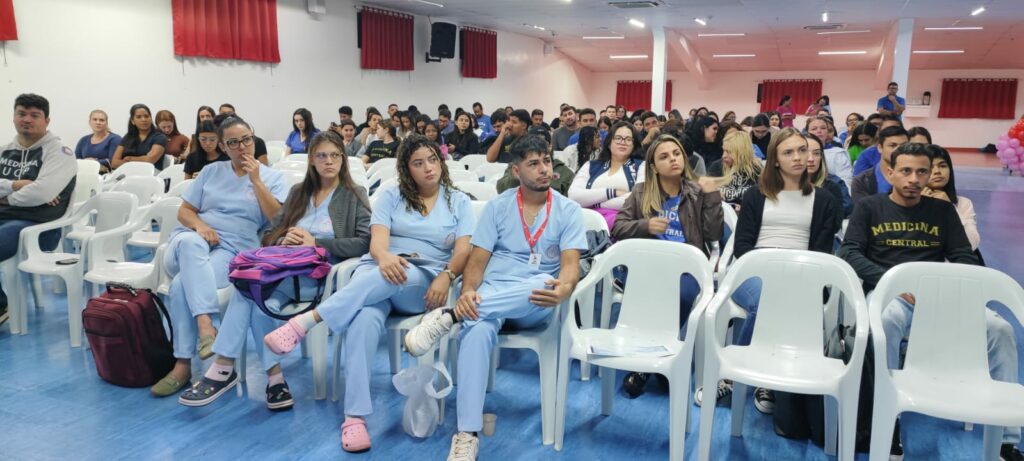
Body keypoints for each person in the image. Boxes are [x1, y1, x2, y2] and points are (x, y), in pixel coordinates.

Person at [264, 134, 474, 453]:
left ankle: (307, 321)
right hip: (379, 269)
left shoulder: (458, 201)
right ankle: (355, 418)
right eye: (418, 163)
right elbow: (376, 244)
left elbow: (462, 252)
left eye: (433, 160)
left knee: (393, 276)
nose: (428, 168)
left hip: (425, 277)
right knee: (362, 319)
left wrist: (447, 275)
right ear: (406, 168)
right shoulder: (391, 196)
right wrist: (386, 257)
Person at [402, 135, 587, 461]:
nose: (544, 169)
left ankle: (449, 317)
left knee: (545, 279)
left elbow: (570, 268)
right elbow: (476, 263)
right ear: (516, 170)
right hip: (495, 292)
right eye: (534, 163)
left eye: (546, 161)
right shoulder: (498, 207)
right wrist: (470, 293)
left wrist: (565, 288)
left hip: (536, 301)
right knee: (478, 327)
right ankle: (467, 433)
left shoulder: (568, 210)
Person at [838, 142, 1020, 460]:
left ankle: (1007, 440)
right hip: (890, 295)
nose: (914, 178)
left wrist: (944, 289)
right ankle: (886, 420)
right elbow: (850, 253)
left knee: (1000, 329)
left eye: (922, 171)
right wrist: (892, 281)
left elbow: (964, 257)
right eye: (906, 171)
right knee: (885, 325)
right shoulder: (869, 208)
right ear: (890, 172)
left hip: (941, 297)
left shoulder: (942, 211)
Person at [179, 131, 371, 410]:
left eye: (334, 155)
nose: (328, 161)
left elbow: (365, 242)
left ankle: (223, 369)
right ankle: (275, 380)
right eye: (321, 155)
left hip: (321, 277)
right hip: (283, 272)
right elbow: (268, 233)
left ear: (343, 158)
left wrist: (316, 242)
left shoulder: (354, 194)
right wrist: (283, 239)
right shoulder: (298, 193)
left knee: (249, 293)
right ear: (312, 161)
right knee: (253, 295)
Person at [156, 116, 290, 397]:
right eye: (233, 143)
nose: (242, 147)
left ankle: (182, 365)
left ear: (253, 139)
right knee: (191, 246)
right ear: (223, 146)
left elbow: (278, 220)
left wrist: (257, 182)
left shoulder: (273, 177)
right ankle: (208, 327)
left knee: (182, 285)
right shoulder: (210, 172)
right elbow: (184, 212)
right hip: (189, 241)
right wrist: (201, 226)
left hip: (232, 249)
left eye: (247, 140)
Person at [708, 128, 839, 411]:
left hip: (801, 275)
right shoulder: (757, 195)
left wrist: (792, 275)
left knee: (781, 300)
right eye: (788, 152)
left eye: (802, 150)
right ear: (775, 160)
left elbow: (821, 252)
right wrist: (771, 271)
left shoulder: (825, 200)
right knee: (767, 299)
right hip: (753, 271)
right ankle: (734, 376)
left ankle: (763, 379)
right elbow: (743, 246)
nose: (798, 158)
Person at [611, 134, 723, 396]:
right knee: (647, 292)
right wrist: (645, 225)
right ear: (653, 167)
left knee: (681, 295)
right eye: (664, 156)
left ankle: (646, 364)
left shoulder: (696, 192)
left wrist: (713, 197)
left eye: (676, 153)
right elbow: (617, 227)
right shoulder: (641, 193)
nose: (673, 159)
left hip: (686, 266)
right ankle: (658, 357)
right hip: (648, 265)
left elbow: (713, 233)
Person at [0, 94, 77, 324]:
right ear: (14, 117)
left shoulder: (60, 152)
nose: (27, 119)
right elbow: (35, 193)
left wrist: (5, 198)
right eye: (21, 113)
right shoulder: (5, 151)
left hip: (39, 227)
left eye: (35, 115)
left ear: (47, 121)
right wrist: (14, 185)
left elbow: (41, 192)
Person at [569, 121, 646, 230]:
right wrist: (614, 193)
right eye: (618, 138)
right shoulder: (590, 165)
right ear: (609, 142)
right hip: (584, 222)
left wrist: (593, 203)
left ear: (634, 145)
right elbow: (573, 196)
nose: (623, 142)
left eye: (628, 139)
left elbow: (638, 200)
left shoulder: (641, 166)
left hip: (622, 225)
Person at [922, 144, 979, 250]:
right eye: (930, 167)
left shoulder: (963, 203)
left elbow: (972, 244)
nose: (937, 171)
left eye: (943, 166)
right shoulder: (909, 202)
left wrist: (950, 209)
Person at [851, 126, 909, 203]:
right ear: (880, 148)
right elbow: (864, 211)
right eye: (892, 145)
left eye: (903, 146)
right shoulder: (862, 181)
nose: (899, 150)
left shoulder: (915, 178)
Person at [707, 130, 763, 209]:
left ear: (741, 152)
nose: (724, 156)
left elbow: (761, 202)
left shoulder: (757, 170)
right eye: (724, 150)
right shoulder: (716, 167)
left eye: (729, 152)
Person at [805, 135, 853, 226]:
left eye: (816, 153)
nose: (811, 159)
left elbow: (845, 211)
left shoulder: (833, 185)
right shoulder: (783, 187)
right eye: (805, 152)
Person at [110, 104, 168, 171]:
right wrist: (141, 159)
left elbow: (150, 160)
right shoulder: (128, 137)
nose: (143, 119)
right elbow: (114, 162)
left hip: (151, 175)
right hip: (128, 173)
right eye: (139, 117)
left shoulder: (159, 137)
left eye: (146, 116)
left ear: (151, 118)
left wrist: (129, 158)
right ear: (132, 121)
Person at [805, 116, 853, 188]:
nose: (819, 131)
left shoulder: (839, 153)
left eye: (823, 128)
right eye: (814, 129)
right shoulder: (799, 152)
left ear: (827, 131)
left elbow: (846, 180)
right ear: (807, 131)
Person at [74, 109, 121, 173]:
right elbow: (76, 162)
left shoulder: (115, 139)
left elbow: (112, 162)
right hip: (85, 175)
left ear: (106, 123)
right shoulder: (83, 140)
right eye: (95, 119)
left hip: (107, 177)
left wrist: (91, 162)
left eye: (101, 120)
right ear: (89, 122)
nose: (98, 122)